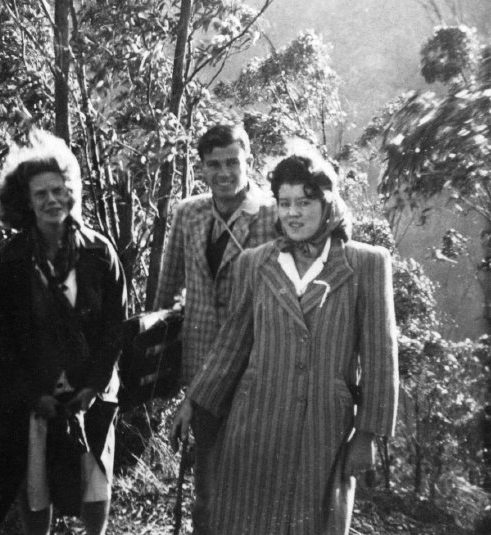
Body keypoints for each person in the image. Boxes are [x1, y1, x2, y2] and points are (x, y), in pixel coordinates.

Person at [169, 150, 399, 534]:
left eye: (305, 202)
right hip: (256, 422)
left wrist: (368, 434)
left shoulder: (366, 264)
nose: (293, 213)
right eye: (285, 202)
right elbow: (233, 344)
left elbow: (380, 358)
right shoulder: (256, 262)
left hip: (324, 427)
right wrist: (195, 399)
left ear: (328, 205)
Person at [0, 129, 127, 535]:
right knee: (36, 485)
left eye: (58, 190)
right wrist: (32, 395)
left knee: (95, 478)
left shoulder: (99, 251)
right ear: (26, 202)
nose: (51, 200)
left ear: (71, 193)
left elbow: (115, 327)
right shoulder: (10, 261)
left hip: (91, 390)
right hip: (36, 393)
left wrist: (94, 386)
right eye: (40, 194)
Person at [152, 124, 278, 532]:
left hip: (256, 369)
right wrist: (153, 357)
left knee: (251, 482)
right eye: (213, 164)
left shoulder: (274, 215)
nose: (223, 172)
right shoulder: (190, 212)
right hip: (203, 370)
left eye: (232, 162)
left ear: (249, 162)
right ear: (202, 168)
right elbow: (167, 285)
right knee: (206, 492)